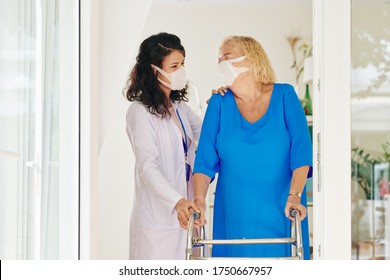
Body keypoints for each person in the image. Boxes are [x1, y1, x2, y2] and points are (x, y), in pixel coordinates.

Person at [178, 35, 312, 259]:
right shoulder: (219, 103)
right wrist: (200, 200)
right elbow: (204, 162)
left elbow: (302, 153)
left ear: (251, 59)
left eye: (227, 57)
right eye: (219, 60)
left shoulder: (285, 96)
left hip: (283, 207)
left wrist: (295, 195)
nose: (222, 64)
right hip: (234, 213)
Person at [124, 32, 201, 259]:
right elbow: (147, 166)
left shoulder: (179, 107)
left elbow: (208, 136)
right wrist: (176, 201)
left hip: (185, 216)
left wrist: (222, 103)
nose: (181, 71)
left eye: (183, 64)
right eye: (174, 66)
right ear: (154, 70)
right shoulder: (139, 112)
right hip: (156, 221)